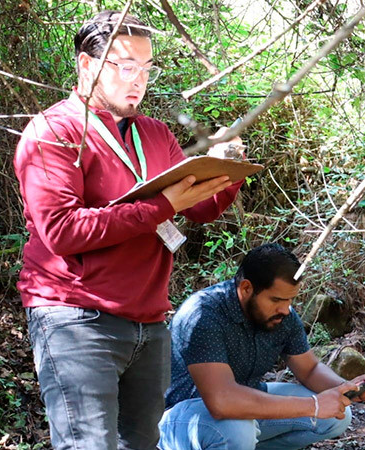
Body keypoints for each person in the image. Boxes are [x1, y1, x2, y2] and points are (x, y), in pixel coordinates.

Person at [13, 10, 244, 450]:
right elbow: (62, 231)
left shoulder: (155, 134)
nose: (138, 80)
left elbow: (199, 210)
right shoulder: (53, 132)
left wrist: (228, 171)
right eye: (125, 66)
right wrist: (161, 206)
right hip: (75, 316)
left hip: (149, 321)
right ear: (87, 65)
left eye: (146, 68)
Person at [159, 243, 365, 450]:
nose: (286, 310)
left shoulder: (282, 315)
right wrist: (314, 405)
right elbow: (222, 401)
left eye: (290, 300)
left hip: (244, 409)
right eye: (277, 300)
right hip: (180, 418)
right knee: (237, 429)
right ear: (246, 288)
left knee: (337, 416)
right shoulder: (203, 314)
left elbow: (309, 369)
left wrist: (347, 388)